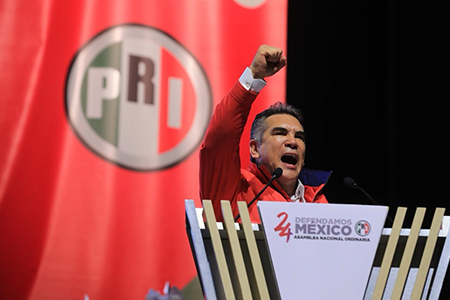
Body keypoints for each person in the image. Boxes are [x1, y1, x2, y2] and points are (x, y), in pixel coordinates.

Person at [200, 45, 331, 223]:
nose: (293, 141)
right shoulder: (237, 193)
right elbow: (219, 140)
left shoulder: (319, 201)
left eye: (299, 137)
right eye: (280, 133)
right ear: (255, 149)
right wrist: (253, 76)